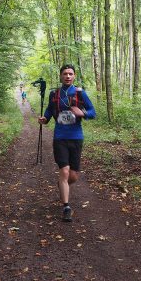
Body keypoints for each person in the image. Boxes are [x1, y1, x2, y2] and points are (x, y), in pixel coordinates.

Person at [38, 64, 95, 222]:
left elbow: (93, 112)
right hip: (60, 137)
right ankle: (66, 207)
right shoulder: (54, 93)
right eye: (65, 74)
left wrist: (82, 112)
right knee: (64, 171)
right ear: (61, 76)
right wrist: (45, 118)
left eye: (70, 74)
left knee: (74, 176)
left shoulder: (80, 93)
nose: (68, 76)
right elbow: (50, 110)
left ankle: (63, 185)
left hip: (76, 137)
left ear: (74, 76)